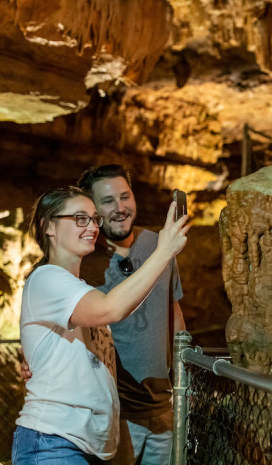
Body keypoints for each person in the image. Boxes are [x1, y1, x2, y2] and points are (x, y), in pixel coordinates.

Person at [13, 187, 188, 464]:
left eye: (95, 219)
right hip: (54, 442)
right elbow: (111, 309)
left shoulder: (80, 291)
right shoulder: (46, 278)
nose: (93, 226)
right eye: (80, 218)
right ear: (49, 227)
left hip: (88, 446)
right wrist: (163, 252)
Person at [77, 164, 188, 465]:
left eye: (125, 197)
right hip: (115, 413)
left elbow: (172, 309)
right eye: (108, 201)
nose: (120, 208)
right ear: (93, 209)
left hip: (163, 406)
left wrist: (182, 380)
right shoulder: (83, 261)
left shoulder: (157, 244)